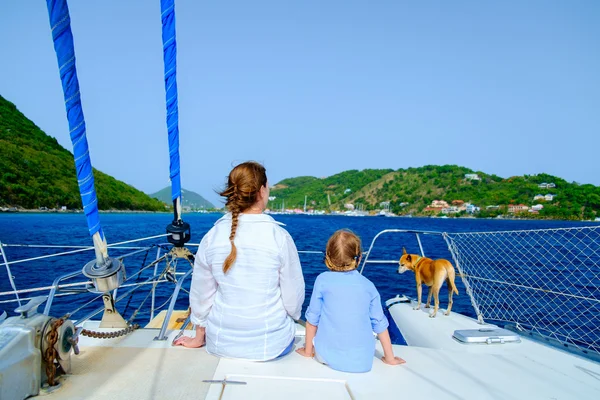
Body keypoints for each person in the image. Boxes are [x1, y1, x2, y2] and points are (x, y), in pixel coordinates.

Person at [174, 161, 305, 361]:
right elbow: (293, 301)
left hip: (221, 343)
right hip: (271, 345)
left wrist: (199, 336)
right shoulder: (279, 236)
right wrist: (292, 317)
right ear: (261, 191)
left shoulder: (212, 236)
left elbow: (202, 294)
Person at [296, 229, 405, 372]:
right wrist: (390, 358)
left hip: (325, 357)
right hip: (362, 360)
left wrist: (308, 351)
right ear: (359, 258)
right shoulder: (368, 286)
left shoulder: (322, 280)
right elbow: (379, 323)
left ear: (328, 257)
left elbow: (312, 320)